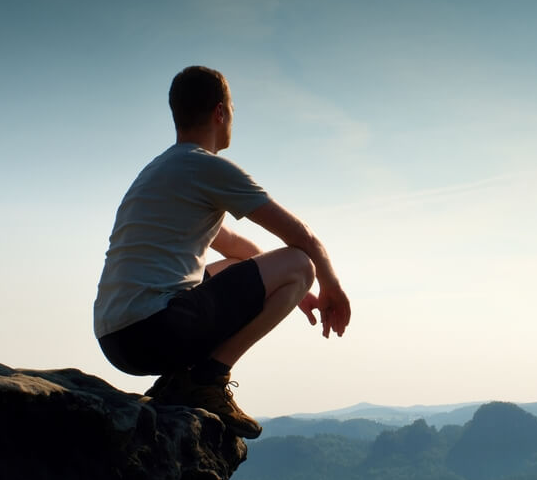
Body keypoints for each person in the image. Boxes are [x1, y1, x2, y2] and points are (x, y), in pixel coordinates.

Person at [93, 65, 350, 438]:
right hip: (155, 329)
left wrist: (296, 294)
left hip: (116, 339)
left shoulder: (161, 170)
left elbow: (234, 246)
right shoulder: (208, 167)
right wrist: (328, 285)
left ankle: (179, 380)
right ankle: (208, 379)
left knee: (242, 263)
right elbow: (302, 237)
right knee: (300, 262)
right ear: (220, 112)